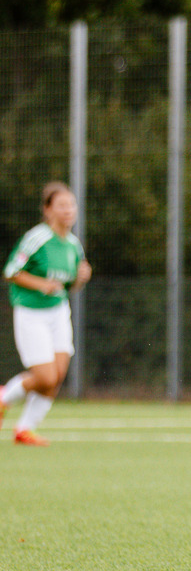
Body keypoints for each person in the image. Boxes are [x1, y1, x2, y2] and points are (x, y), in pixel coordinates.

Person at [0, 181, 91, 446]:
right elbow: (10, 272)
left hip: (58, 312)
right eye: (61, 205)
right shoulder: (37, 237)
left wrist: (81, 279)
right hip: (31, 313)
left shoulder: (74, 244)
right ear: (47, 209)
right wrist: (41, 284)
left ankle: (25, 429)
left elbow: (68, 286)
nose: (68, 210)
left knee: (58, 375)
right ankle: (4, 397)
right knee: (45, 377)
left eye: (71, 205)